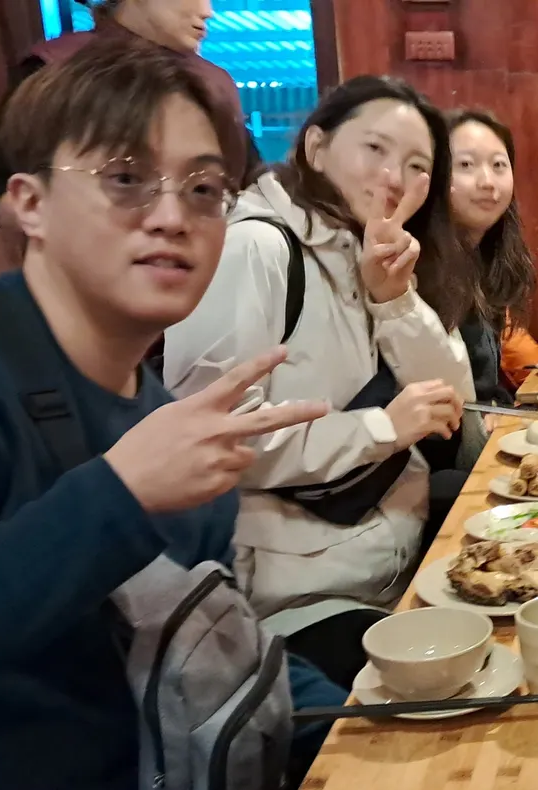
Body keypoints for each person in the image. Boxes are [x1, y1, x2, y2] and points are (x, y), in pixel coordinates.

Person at [0, 41, 355, 790]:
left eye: (203, 189)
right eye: (125, 178)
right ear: (29, 202)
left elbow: (209, 642)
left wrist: (362, 730)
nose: (171, 216)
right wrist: (119, 494)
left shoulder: (169, 421)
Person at [163, 76, 477, 685]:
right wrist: (379, 429)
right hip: (292, 603)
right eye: (375, 149)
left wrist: (393, 300)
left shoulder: (375, 250)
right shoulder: (255, 248)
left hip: (385, 569)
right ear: (316, 146)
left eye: (417, 165)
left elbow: (453, 399)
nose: (393, 176)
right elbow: (210, 441)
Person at [0, 0, 259, 232]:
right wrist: (76, 233)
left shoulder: (214, 83)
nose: (207, 11)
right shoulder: (58, 68)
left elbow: (250, 182)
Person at [445, 107, 538, 407]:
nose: (487, 181)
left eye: (499, 165)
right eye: (466, 165)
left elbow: (483, 387)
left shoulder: (489, 260)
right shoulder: (422, 268)